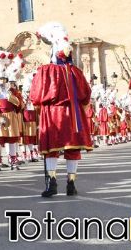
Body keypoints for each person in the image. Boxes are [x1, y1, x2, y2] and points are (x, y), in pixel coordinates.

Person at [30, 22, 93, 198]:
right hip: (73, 114)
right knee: (72, 148)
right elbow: (86, 94)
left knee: (52, 148)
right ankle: (71, 183)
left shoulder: (46, 71)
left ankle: (52, 183)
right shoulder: (76, 72)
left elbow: (35, 95)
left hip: (53, 114)